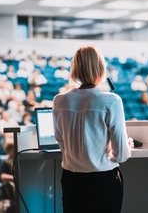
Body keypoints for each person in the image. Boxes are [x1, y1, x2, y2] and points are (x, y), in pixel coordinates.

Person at [52, 45, 132, 213]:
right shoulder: (112, 100)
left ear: (75, 69)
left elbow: (62, 143)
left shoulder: (59, 100)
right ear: (100, 68)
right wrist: (121, 147)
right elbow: (122, 155)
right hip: (103, 181)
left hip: (71, 180)